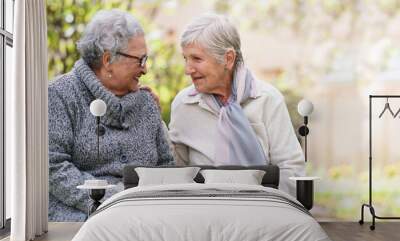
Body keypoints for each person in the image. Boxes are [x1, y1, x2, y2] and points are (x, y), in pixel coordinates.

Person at [48, 9, 174, 221]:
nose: (145, 69)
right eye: (140, 60)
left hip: (144, 214)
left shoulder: (146, 103)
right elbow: (54, 167)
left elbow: (166, 167)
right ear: (108, 60)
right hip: (80, 217)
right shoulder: (60, 95)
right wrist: (115, 201)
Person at [168, 14, 305, 197]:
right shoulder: (184, 104)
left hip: (263, 209)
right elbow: (176, 171)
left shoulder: (268, 100)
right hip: (203, 211)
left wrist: (267, 207)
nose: (188, 69)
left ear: (228, 59)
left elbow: (291, 170)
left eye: (197, 59)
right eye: (186, 59)